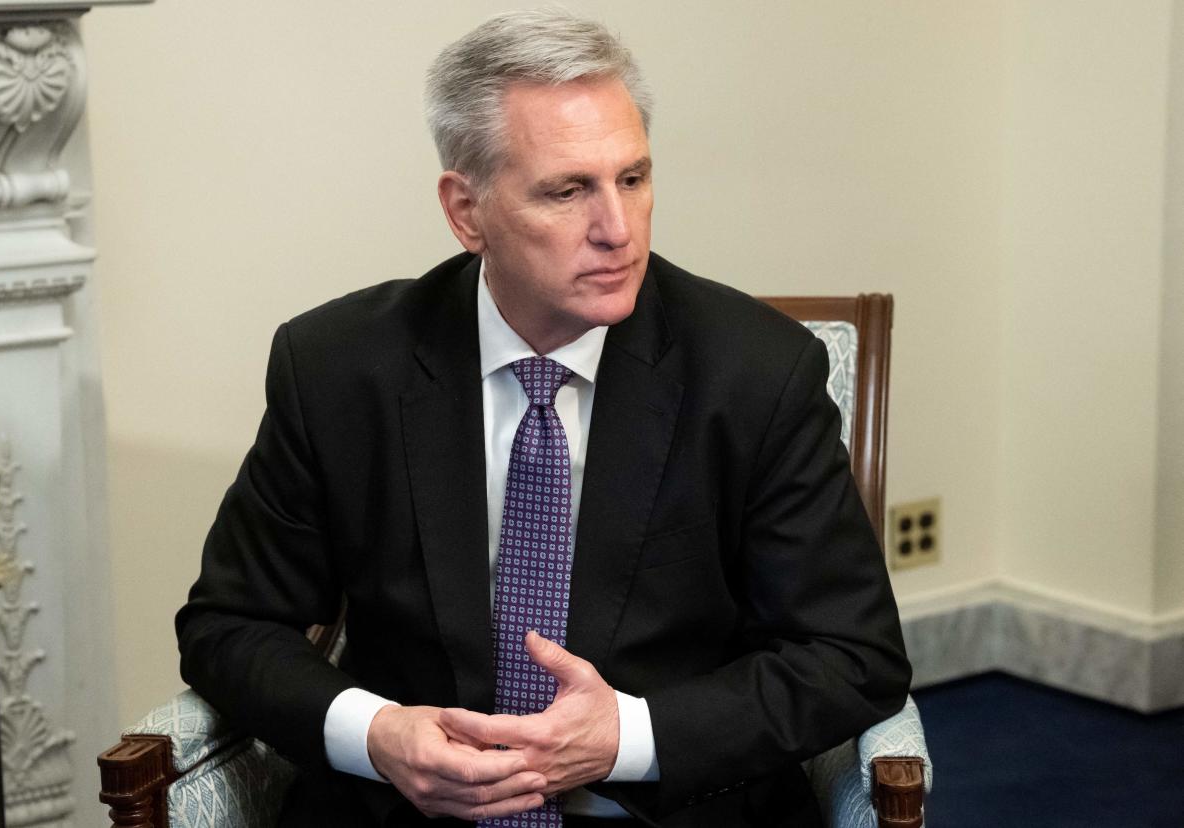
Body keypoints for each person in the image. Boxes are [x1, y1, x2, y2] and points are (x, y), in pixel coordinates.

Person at [176, 8, 910, 828]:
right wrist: (379, 733)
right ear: (466, 211)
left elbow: (854, 657)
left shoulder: (755, 374)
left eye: (633, 179)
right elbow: (230, 626)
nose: (618, 230)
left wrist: (625, 736)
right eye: (568, 191)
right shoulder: (340, 369)